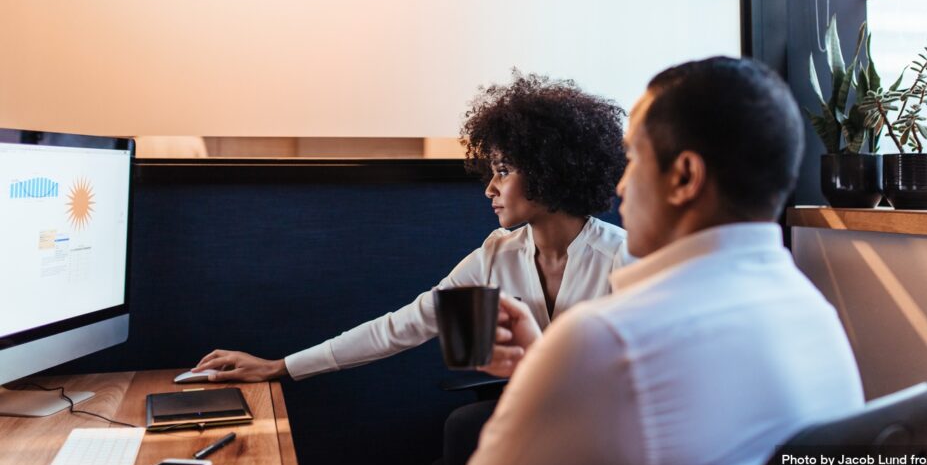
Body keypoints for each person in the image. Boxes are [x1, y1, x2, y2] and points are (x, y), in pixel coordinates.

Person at [465, 57, 865, 465]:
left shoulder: (608, 338)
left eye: (634, 159)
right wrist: (544, 364)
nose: (621, 186)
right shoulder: (815, 314)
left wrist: (557, 365)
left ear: (684, 177)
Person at [191, 71, 630, 384]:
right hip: (535, 418)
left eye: (504, 170)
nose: (490, 189)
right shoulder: (498, 253)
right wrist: (279, 366)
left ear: (551, 170)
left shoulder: (625, 261)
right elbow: (400, 326)